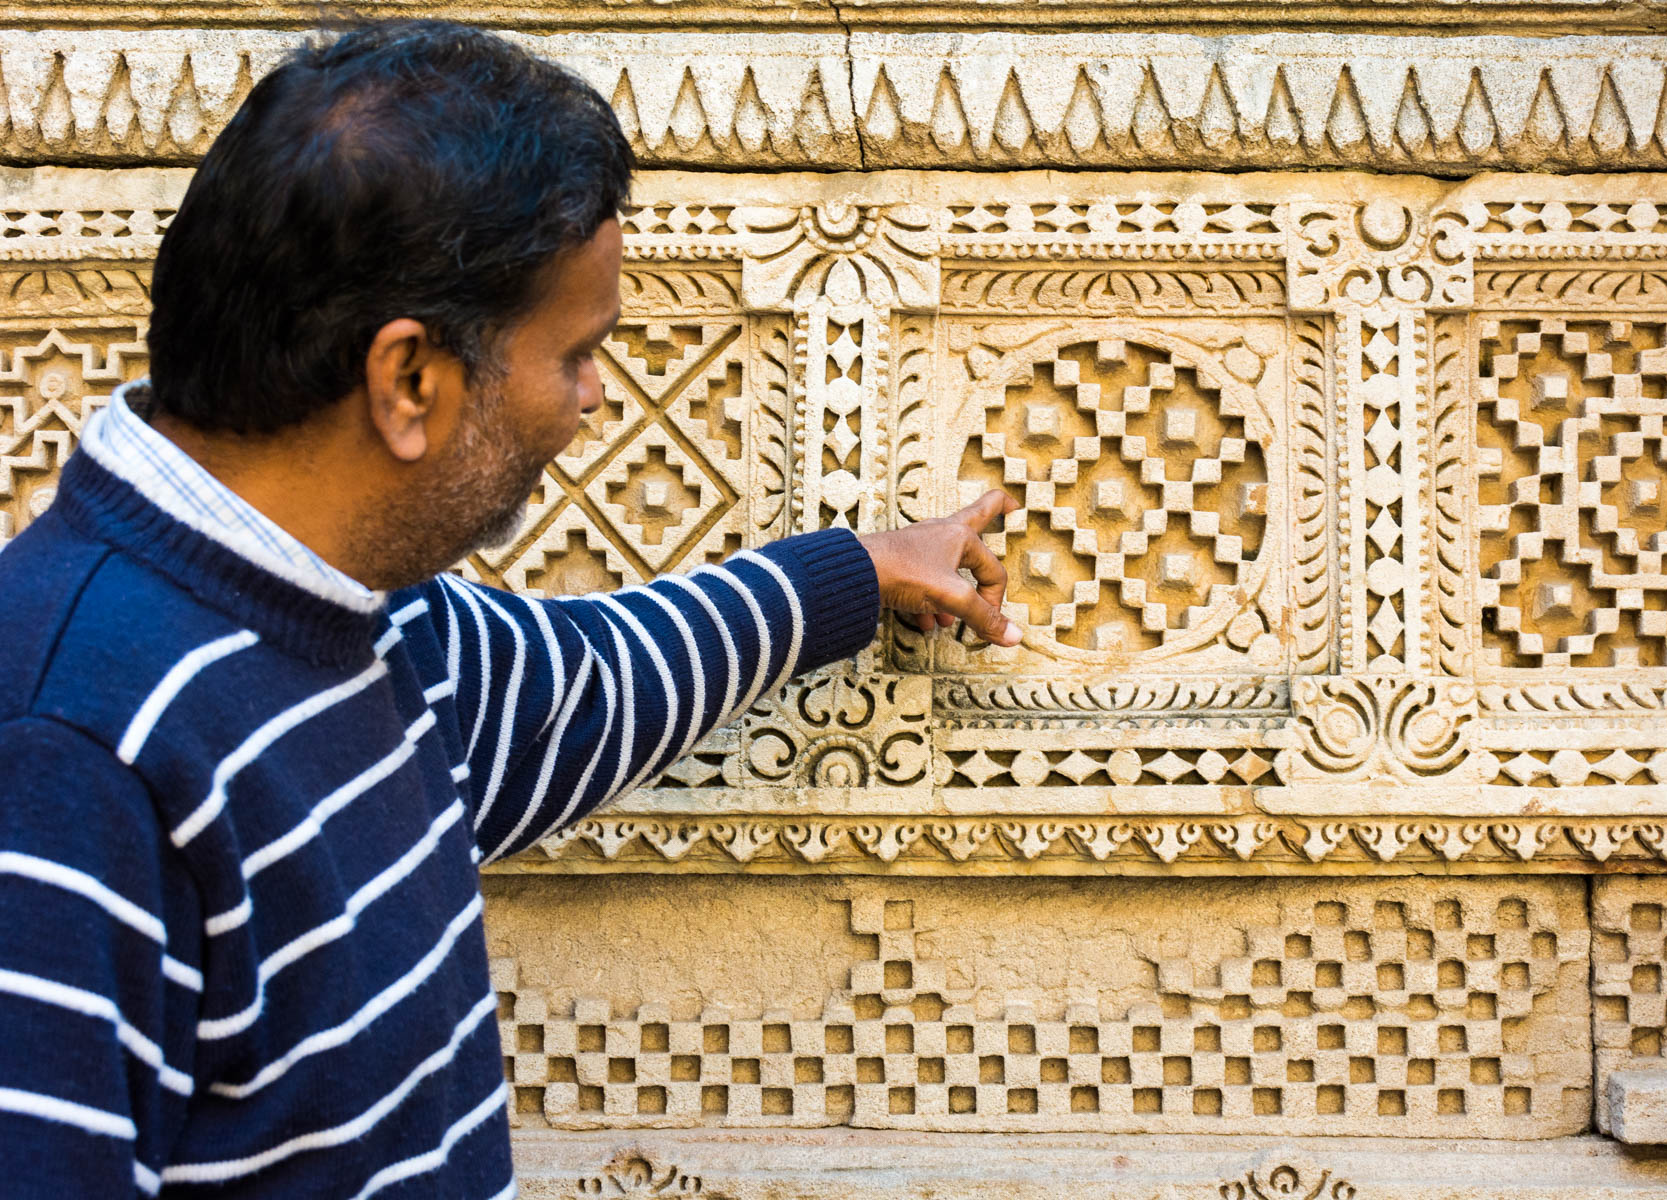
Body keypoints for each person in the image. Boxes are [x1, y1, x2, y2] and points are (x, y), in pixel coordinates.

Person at [0, 19, 1020, 1198]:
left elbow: (589, 684)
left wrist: (860, 572)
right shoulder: (69, 755)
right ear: (410, 380)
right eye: (577, 352)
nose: (591, 398)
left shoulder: (368, 623)